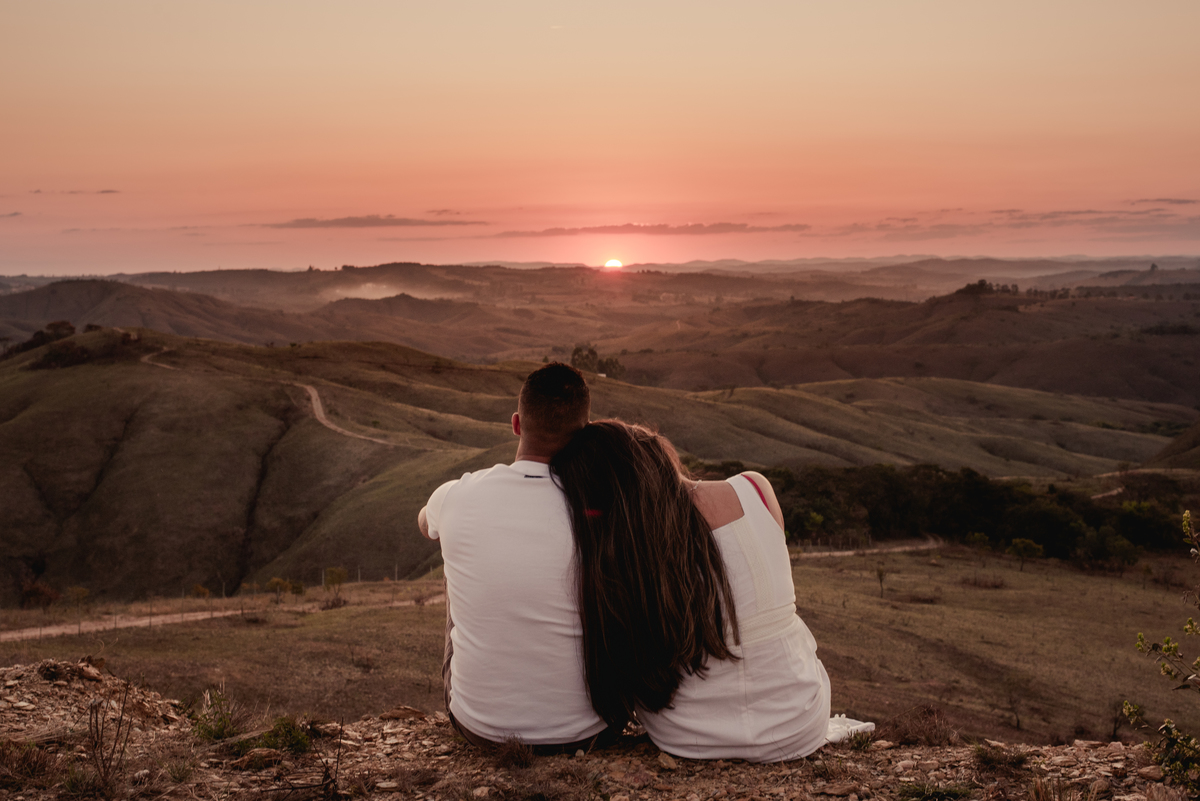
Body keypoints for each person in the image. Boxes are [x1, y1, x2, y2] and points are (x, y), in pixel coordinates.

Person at [550, 420, 832, 762]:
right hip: (799, 724)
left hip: (687, 735)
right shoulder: (754, 489)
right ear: (655, 450)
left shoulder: (619, 554)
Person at [417, 363, 622, 751]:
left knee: (457, 558)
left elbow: (426, 524)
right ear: (586, 430)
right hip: (592, 730)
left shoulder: (458, 495)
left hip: (481, 729)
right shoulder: (605, 506)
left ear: (516, 424)